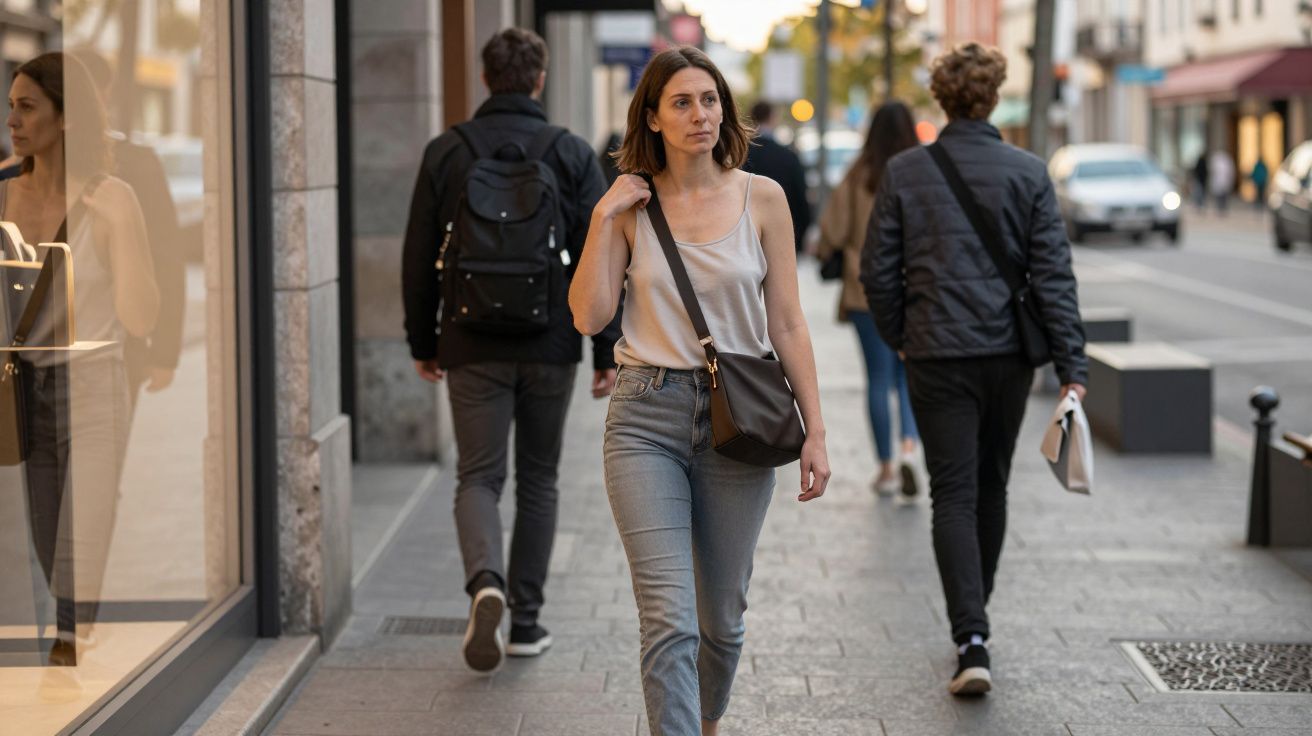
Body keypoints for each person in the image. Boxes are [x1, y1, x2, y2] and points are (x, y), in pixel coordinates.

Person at [569, 46, 831, 735]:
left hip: (739, 420)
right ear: (653, 117)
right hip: (644, 416)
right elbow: (589, 317)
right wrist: (601, 218)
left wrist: (816, 431)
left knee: (722, 621)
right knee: (668, 617)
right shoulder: (631, 204)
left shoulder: (762, 198)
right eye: (681, 102)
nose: (700, 115)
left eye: (709, 99)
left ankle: (705, 720)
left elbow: (788, 321)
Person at [862, 42, 1087, 696]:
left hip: (936, 355)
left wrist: (902, 336)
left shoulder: (906, 172)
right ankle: (974, 621)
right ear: (993, 97)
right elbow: (1054, 277)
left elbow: (877, 272)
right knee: (992, 485)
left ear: (941, 97)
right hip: (1009, 357)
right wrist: (1071, 365)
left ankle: (971, 635)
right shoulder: (1029, 172)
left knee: (953, 492)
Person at [401, 28, 619, 674]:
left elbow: (417, 256)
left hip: (470, 340)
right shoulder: (571, 152)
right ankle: (524, 622)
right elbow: (600, 256)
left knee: (478, 475)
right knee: (539, 478)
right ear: (540, 79)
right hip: (551, 341)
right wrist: (605, 349)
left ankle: (484, 583)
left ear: (485, 78)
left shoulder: (447, 151)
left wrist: (424, 341)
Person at [4, 52, 160, 665]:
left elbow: (141, 318)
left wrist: (124, 229)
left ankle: (71, 650)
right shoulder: (3, 194)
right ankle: (71, 640)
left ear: (66, 117)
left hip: (93, 385)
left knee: (82, 544)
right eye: (11, 107)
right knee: (48, 545)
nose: (12, 121)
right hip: (25, 392)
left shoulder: (112, 198)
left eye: (27, 107)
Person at [817, 101, 921, 498]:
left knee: (878, 380)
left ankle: (886, 467)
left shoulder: (859, 174)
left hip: (867, 291)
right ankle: (909, 448)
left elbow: (833, 230)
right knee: (908, 376)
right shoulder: (920, 172)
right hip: (915, 291)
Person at [742, 101, 811, 252]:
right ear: (772, 118)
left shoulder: (739, 155)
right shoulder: (787, 156)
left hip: (745, 237)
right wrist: (801, 235)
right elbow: (801, 197)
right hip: (783, 234)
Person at [1209, 148, 1234, 214]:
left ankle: (1222, 208)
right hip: (1220, 182)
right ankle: (1220, 208)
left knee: (1222, 196)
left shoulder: (1226, 161)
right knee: (1220, 196)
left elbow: (1230, 172)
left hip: (1222, 181)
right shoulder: (1219, 160)